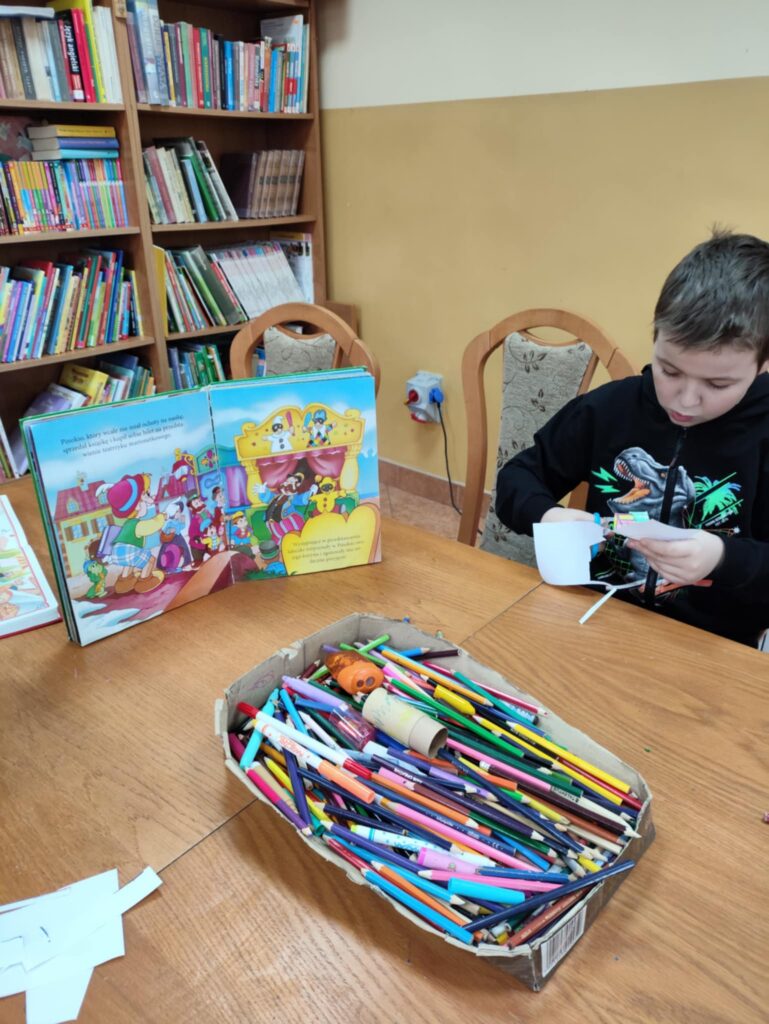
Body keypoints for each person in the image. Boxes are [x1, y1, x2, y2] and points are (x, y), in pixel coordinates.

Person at [494, 230, 769, 648]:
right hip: (593, 619)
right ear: (655, 338)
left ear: (762, 365)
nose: (686, 400)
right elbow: (516, 478)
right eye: (670, 371)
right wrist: (546, 515)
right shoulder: (609, 409)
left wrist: (723, 558)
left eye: (718, 384)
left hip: (710, 647)